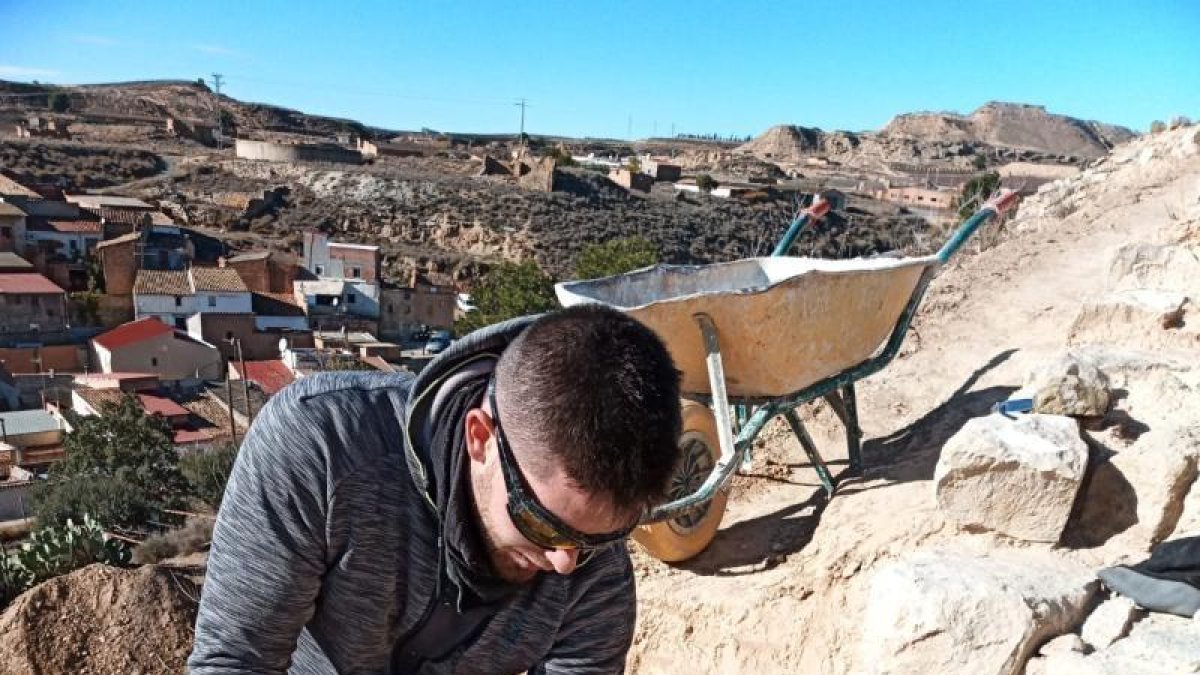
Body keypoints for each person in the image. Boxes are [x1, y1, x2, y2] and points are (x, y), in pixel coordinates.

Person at [188, 304, 683, 674]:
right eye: (541, 524)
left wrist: (579, 537)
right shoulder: (322, 447)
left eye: (596, 540)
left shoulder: (596, 569)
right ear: (480, 438)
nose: (565, 563)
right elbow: (236, 661)